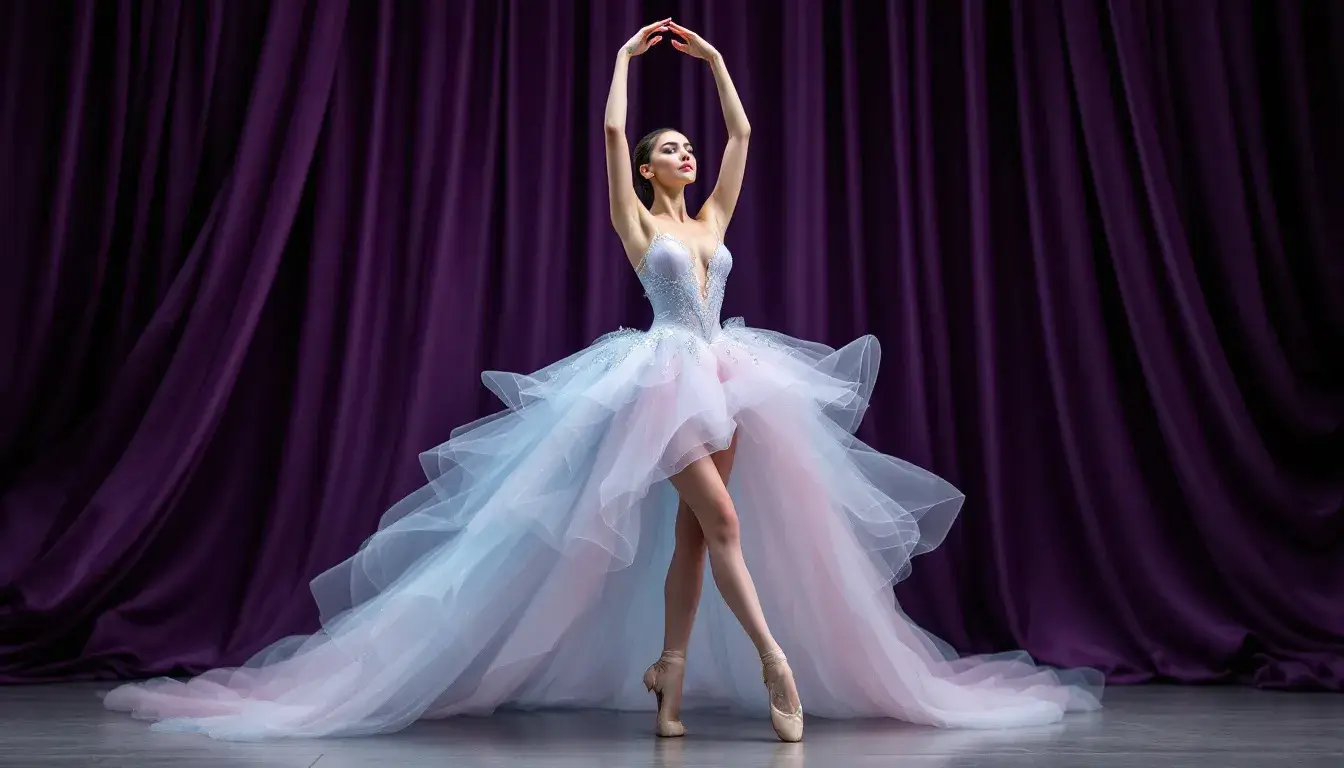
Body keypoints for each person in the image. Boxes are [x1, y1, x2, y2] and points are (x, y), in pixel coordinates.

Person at [102, 19, 1103, 743]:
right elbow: (613, 140)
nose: (683, 151)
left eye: (685, 146)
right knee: (724, 527)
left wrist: (713, 68)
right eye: (673, 147)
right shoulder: (642, 225)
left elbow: (747, 139)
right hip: (661, 381)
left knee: (690, 537)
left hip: (731, 376)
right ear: (655, 171)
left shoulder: (711, 222)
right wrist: (626, 60)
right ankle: (774, 665)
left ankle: (666, 673)